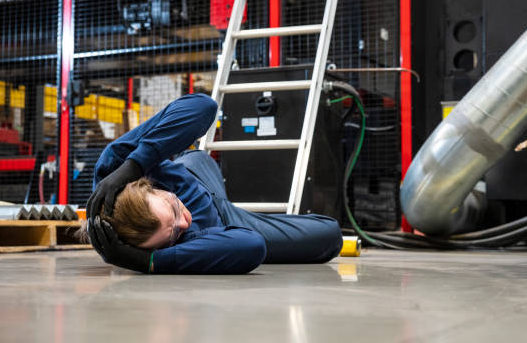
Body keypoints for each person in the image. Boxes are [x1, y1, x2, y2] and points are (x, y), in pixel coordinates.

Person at [86, 93, 343, 275]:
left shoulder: (115, 169)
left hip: (195, 171)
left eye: (173, 207)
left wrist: (135, 165)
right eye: (174, 233)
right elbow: (250, 246)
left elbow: (202, 106)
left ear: (149, 186)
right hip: (223, 219)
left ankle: (175, 175)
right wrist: (149, 262)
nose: (183, 222)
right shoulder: (183, 238)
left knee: (195, 155)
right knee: (329, 235)